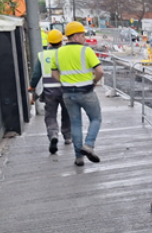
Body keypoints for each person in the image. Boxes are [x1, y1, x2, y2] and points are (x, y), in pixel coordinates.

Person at [51, 21, 103, 165]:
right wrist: (94, 81)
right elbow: (100, 71)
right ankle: (89, 145)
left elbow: (53, 71)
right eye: (82, 35)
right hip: (86, 92)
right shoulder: (86, 51)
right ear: (74, 37)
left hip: (68, 93)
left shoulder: (58, 52)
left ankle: (78, 157)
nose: (84, 38)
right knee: (96, 119)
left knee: (75, 124)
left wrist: (62, 81)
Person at [30, 28, 71, 154]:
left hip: (49, 92)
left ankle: (53, 134)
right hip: (65, 90)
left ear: (49, 42)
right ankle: (68, 136)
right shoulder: (66, 54)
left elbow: (36, 74)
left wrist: (32, 87)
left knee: (50, 115)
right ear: (61, 42)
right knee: (67, 113)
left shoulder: (43, 55)